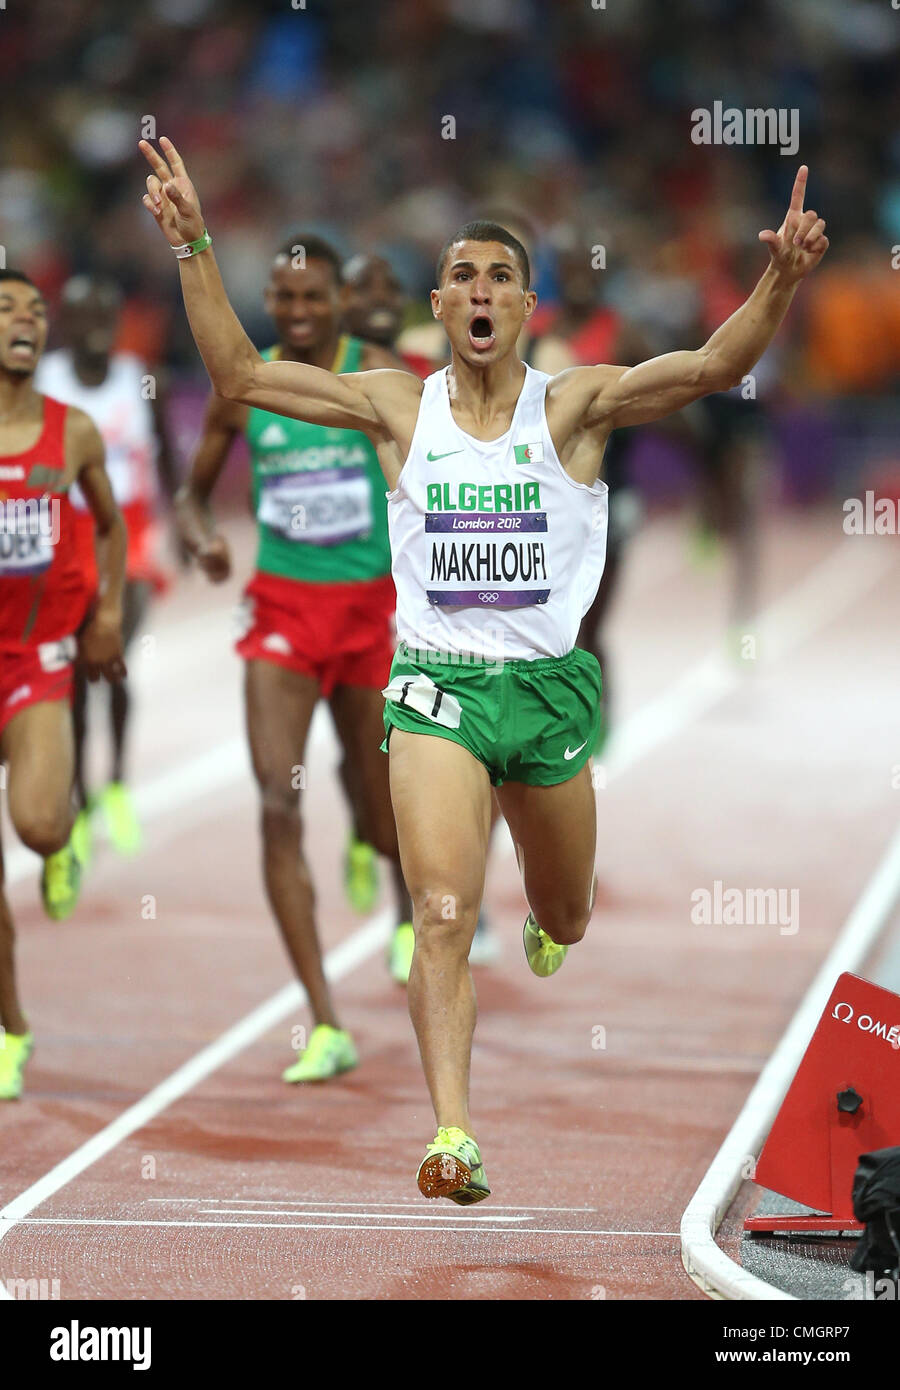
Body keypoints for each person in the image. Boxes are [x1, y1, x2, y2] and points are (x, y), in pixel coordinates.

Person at [140, 138, 828, 1200]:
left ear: (525, 306)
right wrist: (192, 240)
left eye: (500, 276)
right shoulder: (394, 406)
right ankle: (454, 1133)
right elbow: (239, 373)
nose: (480, 289)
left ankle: (554, 924)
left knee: (567, 913)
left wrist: (778, 278)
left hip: (549, 695)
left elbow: (711, 370)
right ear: (438, 300)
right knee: (445, 915)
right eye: (463, 273)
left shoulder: (575, 406)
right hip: (435, 691)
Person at [176, 230, 413, 1083]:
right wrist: (203, 540)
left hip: (368, 615)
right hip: (281, 613)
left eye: (316, 297)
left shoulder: (378, 376)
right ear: (268, 302)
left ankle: (394, 891)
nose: (301, 312)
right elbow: (191, 498)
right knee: (277, 802)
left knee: (386, 813)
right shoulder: (248, 384)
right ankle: (323, 1020)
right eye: (286, 298)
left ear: (342, 302)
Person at [340, 251, 500, 965]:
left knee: (447, 754)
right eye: (362, 286)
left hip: (419, 596)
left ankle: (446, 902)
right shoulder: (337, 374)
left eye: (388, 286)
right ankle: (373, 844)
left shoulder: (420, 371)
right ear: (341, 299)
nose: (376, 296)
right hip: (342, 587)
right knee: (366, 760)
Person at [0, 269, 126, 1100]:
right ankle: (11, 1028)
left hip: (38, 653)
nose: (27, 321)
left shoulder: (72, 430)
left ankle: (62, 830)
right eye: (7, 309)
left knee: (40, 826)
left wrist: (108, 611)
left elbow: (110, 525)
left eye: (35, 312)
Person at [36, 275, 180, 864]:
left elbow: (167, 453)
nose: (93, 323)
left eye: (103, 311)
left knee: (113, 662)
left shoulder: (139, 381)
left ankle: (117, 782)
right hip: (61, 538)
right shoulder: (41, 383)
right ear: (61, 323)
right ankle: (80, 795)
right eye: (79, 313)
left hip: (129, 537)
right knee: (69, 678)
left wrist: (185, 524)